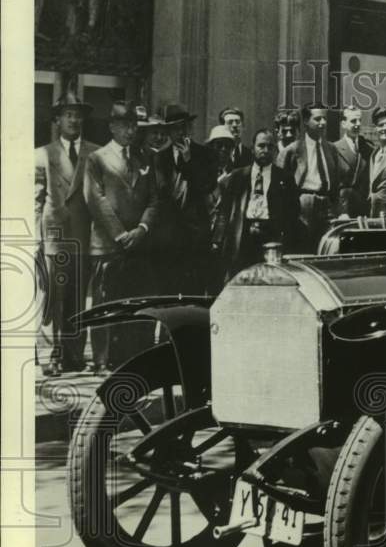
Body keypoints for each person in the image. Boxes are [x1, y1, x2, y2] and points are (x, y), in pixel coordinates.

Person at [84, 100, 160, 375]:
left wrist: (142, 229)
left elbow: (154, 199)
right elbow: (95, 200)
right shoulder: (97, 158)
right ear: (112, 126)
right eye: (125, 125)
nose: (130, 130)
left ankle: (130, 360)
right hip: (108, 245)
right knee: (106, 303)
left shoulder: (144, 158)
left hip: (139, 245)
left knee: (135, 303)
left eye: (133, 125)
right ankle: (102, 362)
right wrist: (120, 234)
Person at [34, 91, 98, 375]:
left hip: (84, 235)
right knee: (53, 299)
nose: (74, 120)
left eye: (78, 115)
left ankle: (74, 356)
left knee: (78, 297)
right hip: (55, 236)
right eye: (68, 115)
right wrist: (37, 237)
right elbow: (35, 199)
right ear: (57, 120)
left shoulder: (95, 153)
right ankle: (51, 357)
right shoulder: (43, 154)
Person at [212, 129, 300, 280]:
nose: (265, 150)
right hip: (243, 236)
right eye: (261, 146)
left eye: (270, 147)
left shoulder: (285, 178)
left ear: (275, 150)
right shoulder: (237, 177)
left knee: (270, 280)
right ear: (253, 148)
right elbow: (224, 212)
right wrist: (217, 240)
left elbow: (293, 212)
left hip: (271, 237)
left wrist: (284, 239)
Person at [150, 103, 219, 295]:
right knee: (169, 289)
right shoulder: (159, 158)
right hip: (169, 237)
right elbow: (159, 194)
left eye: (183, 127)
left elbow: (207, 186)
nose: (180, 133)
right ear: (168, 132)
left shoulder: (204, 154)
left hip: (196, 235)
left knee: (194, 289)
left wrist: (189, 162)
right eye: (175, 129)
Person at [276, 102, 339, 250]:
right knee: (304, 246)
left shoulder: (331, 149)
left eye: (324, 119)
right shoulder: (292, 150)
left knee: (327, 248)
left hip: (327, 204)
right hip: (304, 204)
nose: (322, 123)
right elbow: (279, 185)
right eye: (317, 119)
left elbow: (336, 181)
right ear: (305, 121)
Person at [332, 105, 374, 217]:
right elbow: (333, 186)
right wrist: (341, 211)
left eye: (360, 120)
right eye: (353, 121)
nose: (358, 124)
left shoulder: (368, 148)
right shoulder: (334, 149)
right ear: (343, 124)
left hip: (364, 209)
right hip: (344, 210)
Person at [219, 106, 253, 170]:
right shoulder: (217, 153)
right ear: (222, 127)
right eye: (230, 122)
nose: (234, 125)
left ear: (243, 126)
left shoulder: (251, 154)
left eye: (238, 122)